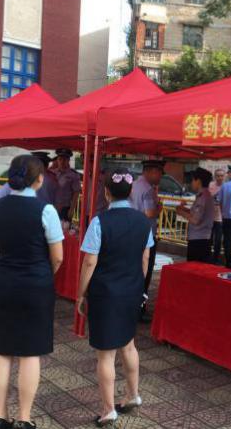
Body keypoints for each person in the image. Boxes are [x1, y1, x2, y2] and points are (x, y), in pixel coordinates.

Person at [0, 155, 64, 429]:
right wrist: (42, 272)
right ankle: (24, 418)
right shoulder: (46, 210)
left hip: (4, 281)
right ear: (39, 179)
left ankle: (0, 416)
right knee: (30, 352)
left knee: (1, 350)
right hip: (35, 285)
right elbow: (58, 257)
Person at [77, 170, 154, 428]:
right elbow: (145, 257)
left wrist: (80, 293)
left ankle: (108, 409)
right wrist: (139, 285)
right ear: (131, 192)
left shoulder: (100, 221)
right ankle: (133, 395)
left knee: (106, 355)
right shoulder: (143, 221)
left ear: (106, 193)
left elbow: (90, 261)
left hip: (106, 293)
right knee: (129, 345)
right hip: (132, 291)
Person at [130, 159, 164, 321]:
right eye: (160, 173)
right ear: (151, 171)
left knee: (132, 272)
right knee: (144, 273)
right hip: (146, 238)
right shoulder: (148, 189)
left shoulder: (134, 185)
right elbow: (149, 213)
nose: (161, 177)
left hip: (132, 234)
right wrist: (159, 209)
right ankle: (139, 310)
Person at [177, 168, 215, 262]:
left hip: (199, 240)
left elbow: (195, 220)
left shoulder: (203, 197)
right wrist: (184, 209)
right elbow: (196, 213)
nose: (191, 183)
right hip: (200, 238)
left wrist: (181, 212)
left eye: (193, 180)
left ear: (198, 181)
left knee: (194, 267)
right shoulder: (203, 195)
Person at [53, 148, 81, 223]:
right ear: (57, 160)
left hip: (65, 209)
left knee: (64, 228)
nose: (62, 162)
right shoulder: (53, 173)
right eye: (60, 159)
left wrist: (71, 209)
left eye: (65, 159)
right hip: (52, 207)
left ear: (68, 160)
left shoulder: (73, 175)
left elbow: (76, 192)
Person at [208, 168, 225, 264]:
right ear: (215, 176)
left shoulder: (226, 187)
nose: (220, 178)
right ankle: (207, 257)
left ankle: (216, 260)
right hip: (210, 217)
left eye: (221, 176)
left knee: (218, 241)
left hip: (220, 218)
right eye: (218, 176)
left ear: (224, 177)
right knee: (208, 239)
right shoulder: (211, 185)